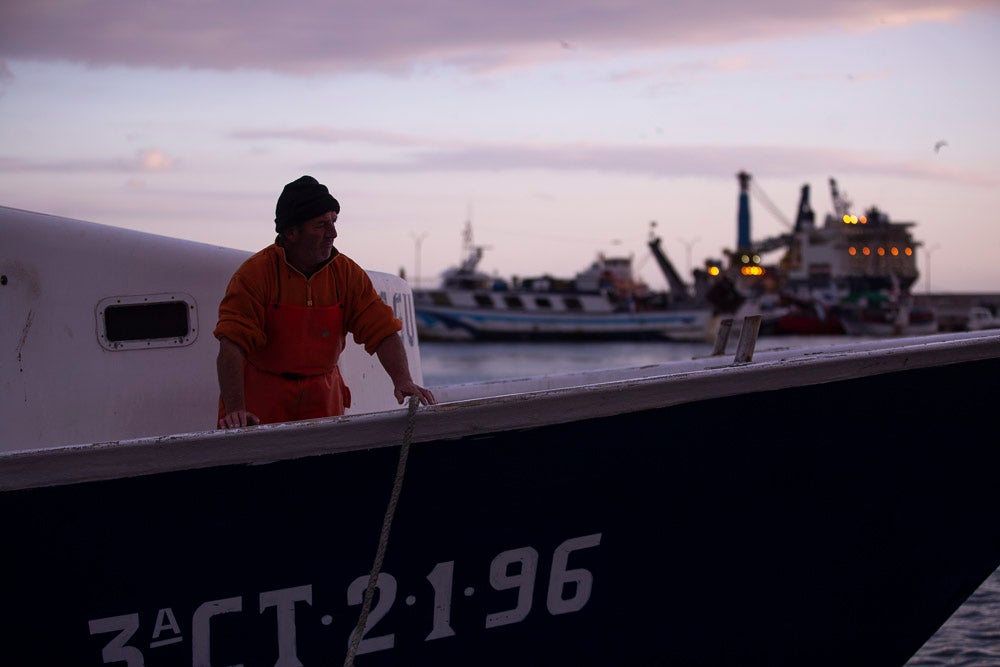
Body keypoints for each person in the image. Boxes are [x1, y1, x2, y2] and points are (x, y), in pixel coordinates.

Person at [214, 175, 435, 429]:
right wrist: (235, 411)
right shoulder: (254, 275)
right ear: (291, 232)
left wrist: (402, 380)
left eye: (333, 221)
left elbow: (382, 330)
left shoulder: (347, 274)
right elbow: (231, 345)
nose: (333, 233)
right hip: (262, 402)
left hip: (323, 399)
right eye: (320, 225)